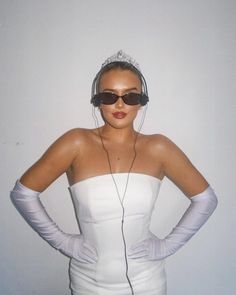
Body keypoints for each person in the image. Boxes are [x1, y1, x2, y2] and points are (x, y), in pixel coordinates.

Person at [10, 50, 218, 295]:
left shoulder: (159, 147)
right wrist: (63, 242)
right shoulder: (76, 143)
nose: (120, 105)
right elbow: (23, 194)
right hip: (90, 282)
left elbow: (206, 199)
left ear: (142, 100)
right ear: (97, 100)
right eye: (109, 96)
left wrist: (166, 247)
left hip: (148, 282)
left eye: (130, 96)